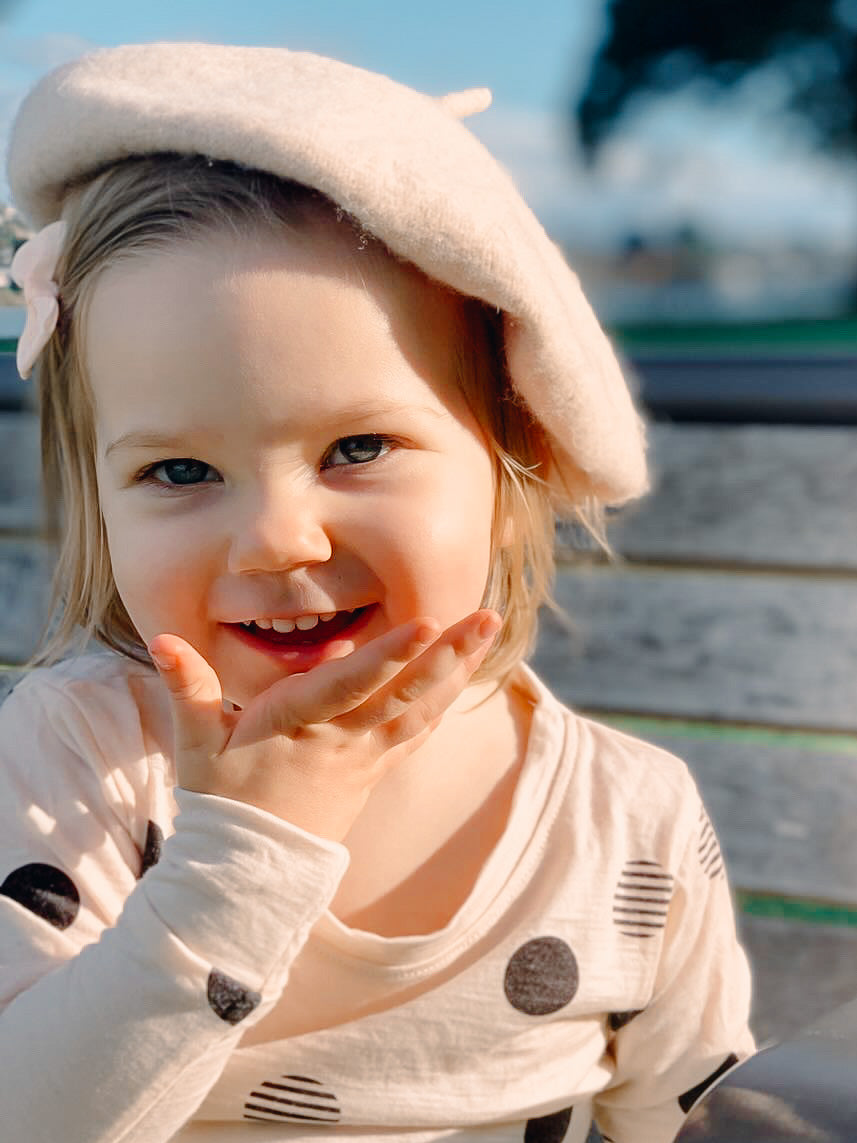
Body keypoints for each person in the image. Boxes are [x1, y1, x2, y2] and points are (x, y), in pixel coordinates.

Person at [0, 42, 753, 1143]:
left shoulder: (624, 823)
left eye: (356, 446)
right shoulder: (73, 762)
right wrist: (243, 847)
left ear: (512, 454)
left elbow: (688, 1120)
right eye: (178, 471)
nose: (275, 539)